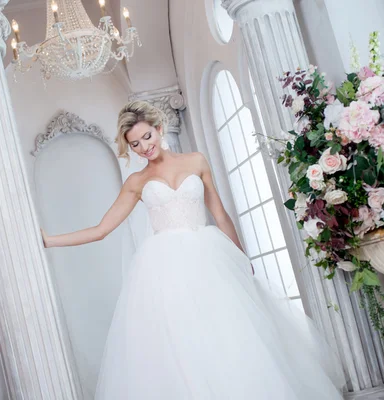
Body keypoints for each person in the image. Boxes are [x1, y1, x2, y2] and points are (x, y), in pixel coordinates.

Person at [41, 101, 345, 399]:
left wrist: (241, 255)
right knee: (182, 342)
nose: (144, 147)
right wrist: (47, 240)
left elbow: (220, 214)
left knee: (229, 333)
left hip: (209, 258)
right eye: (135, 144)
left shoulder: (196, 161)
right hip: (164, 270)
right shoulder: (137, 182)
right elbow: (101, 230)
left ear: (159, 128)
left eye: (147, 136)